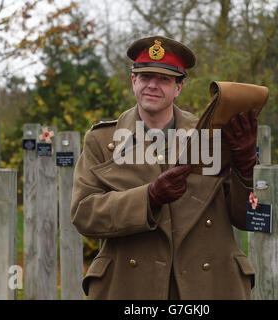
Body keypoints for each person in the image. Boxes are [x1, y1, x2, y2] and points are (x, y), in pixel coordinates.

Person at [70, 35, 258, 300]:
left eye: (164, 79)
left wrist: (246, 167)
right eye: (145, 77)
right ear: (133, 81)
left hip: (208, 286)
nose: (152, 85)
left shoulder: (209, 137)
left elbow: (247, 216)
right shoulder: (102, 140)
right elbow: (84, 213)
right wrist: (148, 197)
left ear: (179, 87)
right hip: (130, 288)